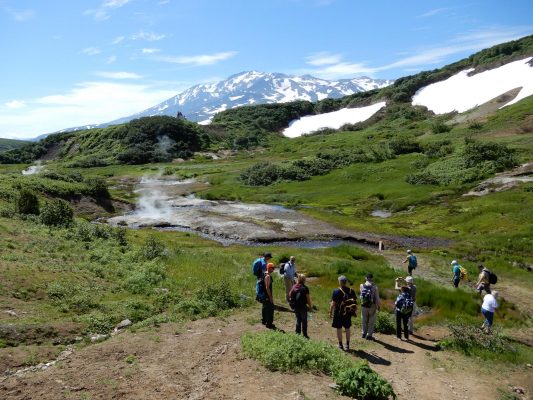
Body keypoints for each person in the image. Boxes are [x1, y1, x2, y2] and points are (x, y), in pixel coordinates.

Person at [329, 275, 357, 351]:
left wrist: (330, 312)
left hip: (338, 312)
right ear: (346, 282)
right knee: (347, 328)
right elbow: (355, 302)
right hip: (348, 313)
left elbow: (333, 303)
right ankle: (347, 345)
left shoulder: (336, 291)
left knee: (339, 328)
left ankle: (340, 345)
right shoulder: (352, 291)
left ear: (340, 282)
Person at [289, 274, 312, 338]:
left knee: (298, 319)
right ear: (304, 280)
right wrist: (310, 307)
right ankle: (305, 335)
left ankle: (297, 333)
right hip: (303, 306)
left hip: (296, 306)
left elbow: (290, 294)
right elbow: (308, 299)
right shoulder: (305, 288)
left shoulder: (294, 286)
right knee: (304, 321)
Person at [359, 273, 381, 341]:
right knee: (371, 320)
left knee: (364, 319)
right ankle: (369, 335)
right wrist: (379, 306)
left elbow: (361, 296)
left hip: (363, 305)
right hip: (372, 305)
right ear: (372, 278)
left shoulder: (361, 285)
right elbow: (377, 298)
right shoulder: (374, 287)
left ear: (366, 278)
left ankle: (363, 333)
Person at [262, 263, 276, 329]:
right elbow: (267, 287)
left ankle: (264, 321)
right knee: (270, 309)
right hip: (267, 295)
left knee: (265, 307)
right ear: (269, 268)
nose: (273, 269)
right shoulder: (268, 276)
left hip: (264, 295)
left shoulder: (264, 274)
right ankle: (269, 323)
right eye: (272, 268)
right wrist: (270, 297)